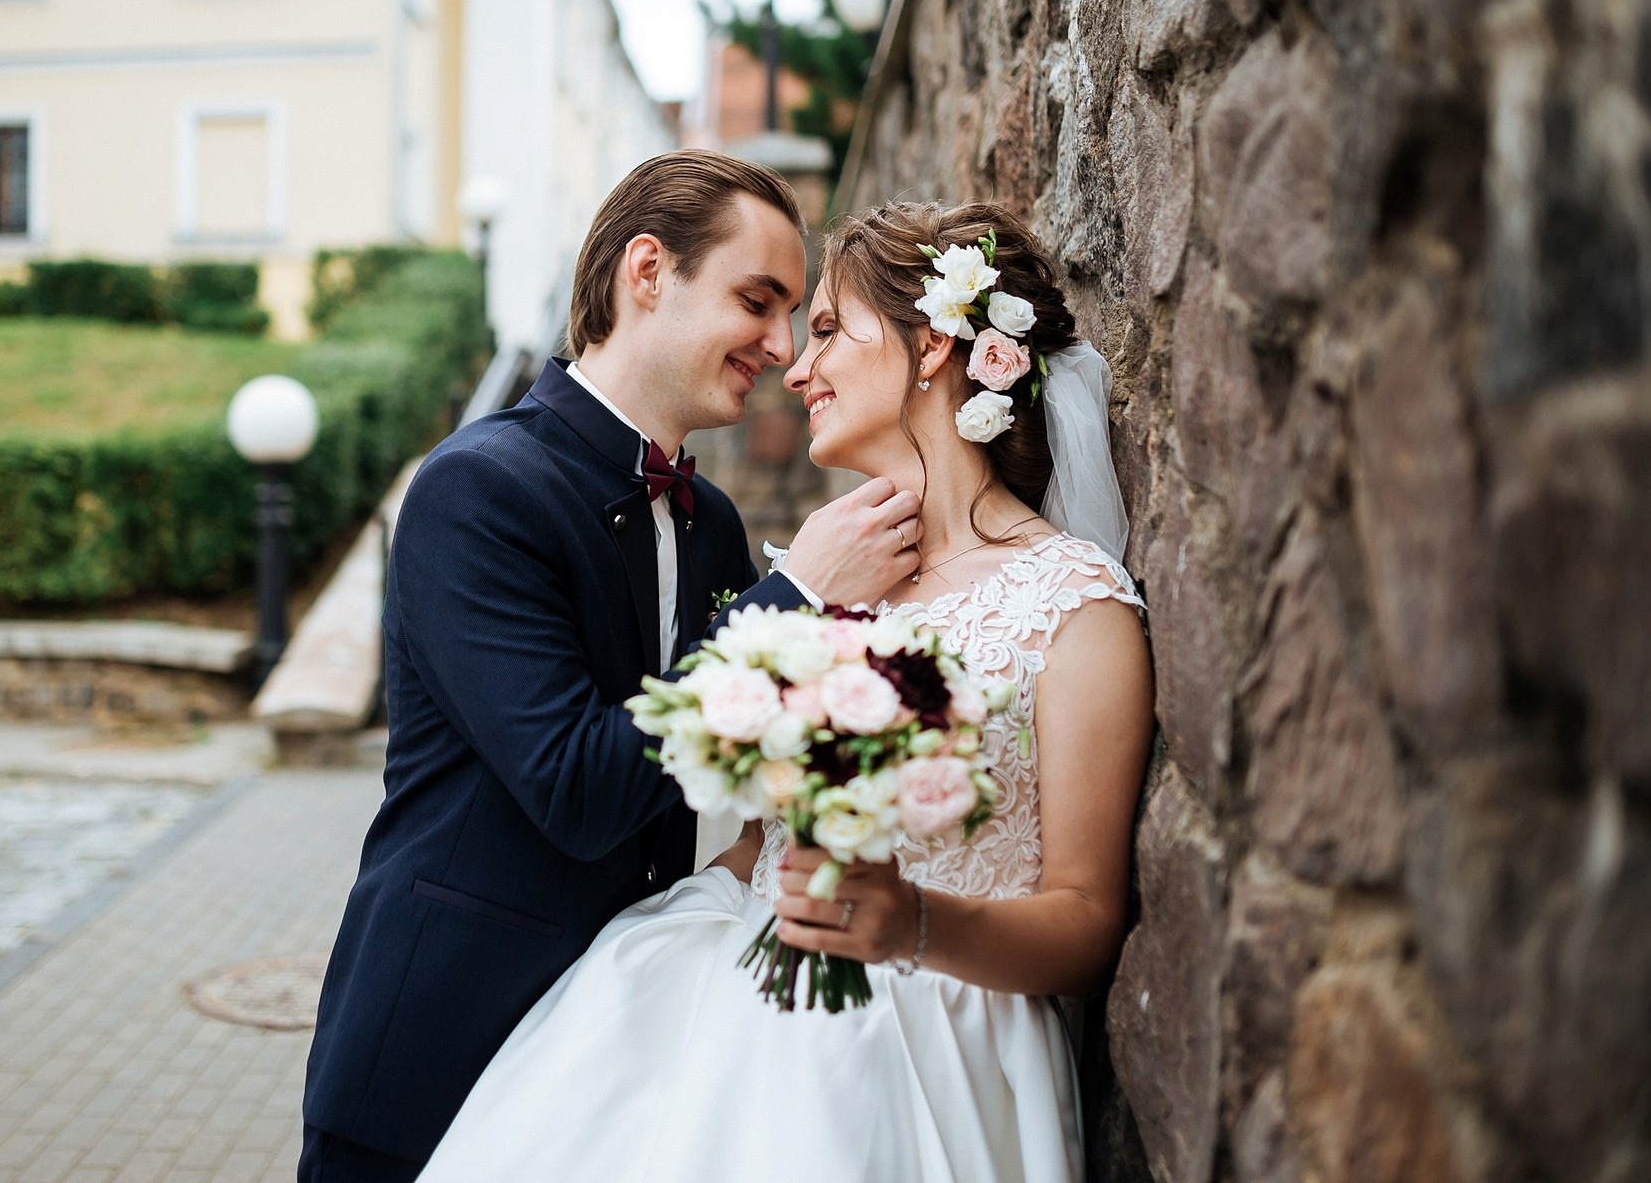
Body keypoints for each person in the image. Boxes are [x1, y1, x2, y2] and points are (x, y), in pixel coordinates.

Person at [416, 199, 1155, 1183]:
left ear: (934, 344)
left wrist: (912, 923)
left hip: (930, 1050)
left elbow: (1088, 921)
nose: (793, 367)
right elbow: (760, 839)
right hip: (728, 1004)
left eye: (825, 329)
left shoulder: (1070, 604)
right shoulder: (831, 580)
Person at [298, 151, 928, 1182]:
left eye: (793, 315)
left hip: (622, 1064)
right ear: (647, 271)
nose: (780, 347)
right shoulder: (474, 490)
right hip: (439, 1053)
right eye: (757, 301)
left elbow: (732, 758)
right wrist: (795, 595)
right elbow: (578, 787)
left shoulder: (711, 523)